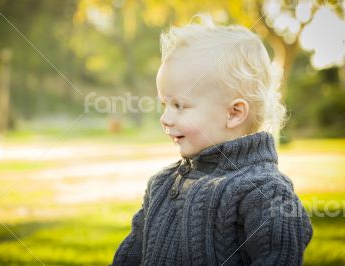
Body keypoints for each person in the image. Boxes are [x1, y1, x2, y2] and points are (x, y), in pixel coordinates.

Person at [112, 14, 313, 266]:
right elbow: (129, 257)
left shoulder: (265, 191)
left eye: (179, 105)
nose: (165, 118)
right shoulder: (162, 184)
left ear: (234, 113)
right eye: (165, 104)